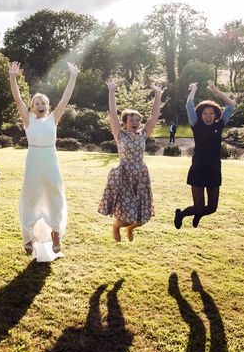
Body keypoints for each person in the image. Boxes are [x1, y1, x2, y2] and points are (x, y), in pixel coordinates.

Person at [9, 61, 79, 260]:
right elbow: (17, 99)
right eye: (37, 103)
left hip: (50, 161)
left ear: (48, 107)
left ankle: (56, 233)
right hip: (33, 162)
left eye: (43, 103)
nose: (40, 105)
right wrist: (13, 77)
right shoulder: (28, 120)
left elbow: (66, 98)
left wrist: (73, 77)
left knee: (55, 196)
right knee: (31, 198)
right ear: (32, 108)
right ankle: (28, 237)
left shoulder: (53, 119)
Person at [98, 79, 163, 242]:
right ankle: (116, 226)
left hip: (140, 175)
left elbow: (154, 115)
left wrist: (157, 94)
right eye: (131, 120)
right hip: (124, 175)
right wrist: (111, 91)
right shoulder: (119, 134)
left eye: (137, 120)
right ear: (125, 122)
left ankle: (130, 228)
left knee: (142, 217)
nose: (135, 123)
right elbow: (113, 113)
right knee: (127, 214)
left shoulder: (143, 134)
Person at [174, 81, 235, 229]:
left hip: (214, 170)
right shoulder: (196, 124)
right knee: (199, 206)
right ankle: (181, 214)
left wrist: (217, 92)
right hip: (198, 169)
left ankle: (199, 214)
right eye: (205, 113)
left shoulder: (219, 125)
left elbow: (231, 106)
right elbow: (189, 105)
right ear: (200, 115)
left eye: (211, 113)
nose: (208, 116)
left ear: (216, 115)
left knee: (212, 208)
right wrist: (193, 89)